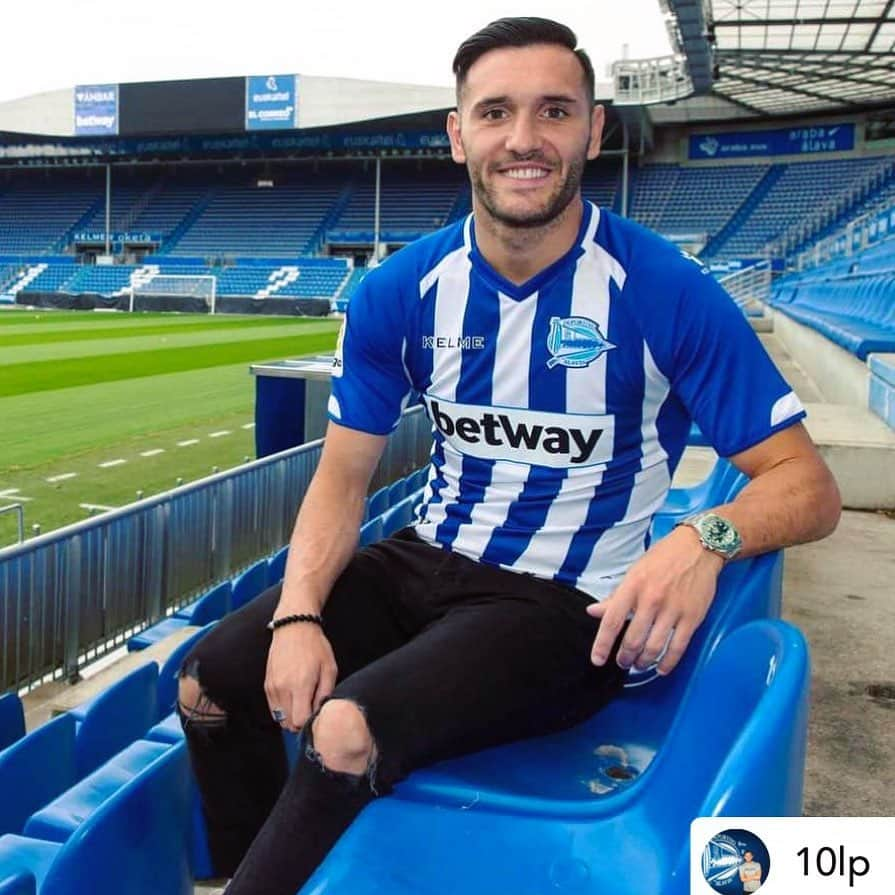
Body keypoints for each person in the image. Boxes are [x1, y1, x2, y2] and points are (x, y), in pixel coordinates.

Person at [177, 16, 841, 895]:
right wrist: (299, 616)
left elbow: (809, 485)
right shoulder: (399, 291)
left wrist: (703, 538)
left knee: (343, 728)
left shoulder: (664, 288)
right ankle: (254, 868)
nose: (523, 139)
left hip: (563, 607)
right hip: (422, 561)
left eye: (553, 112)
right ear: (458, 136)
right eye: (494, 113)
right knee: (208, 682)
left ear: (594, 129)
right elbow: (342, 481)